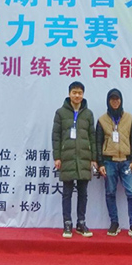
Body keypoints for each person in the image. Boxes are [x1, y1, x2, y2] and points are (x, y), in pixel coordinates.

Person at [96, 88, 132, 240]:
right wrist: (100, 163)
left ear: (121, 100)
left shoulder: (129, 118)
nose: (115, 102)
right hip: (109, 161)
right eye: (112, 99)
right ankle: (114, 223)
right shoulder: (102, 120)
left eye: (117, 99)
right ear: (108, 101)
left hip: (126, 161)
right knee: (110, 192)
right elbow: (98, 143)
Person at [52, 81, 97, 238]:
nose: (77, 95)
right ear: (69, 94)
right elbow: (56, 136)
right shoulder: (60, 113)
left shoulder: (88, 114)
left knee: (83, 193)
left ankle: (81, 223)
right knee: (67, 193)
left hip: (84, 158)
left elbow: (92, 137)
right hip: (67, 157)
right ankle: (67, 223)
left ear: (83, 94)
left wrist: (93, 158)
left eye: (80, 93)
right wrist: (57, 157)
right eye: (74, 92)